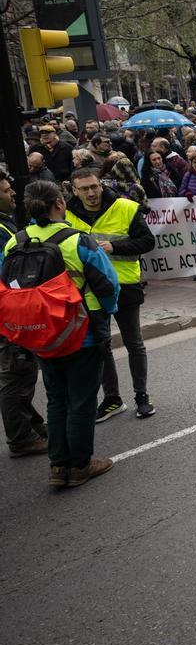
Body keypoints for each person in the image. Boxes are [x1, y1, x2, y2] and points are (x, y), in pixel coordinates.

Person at [1, 181, 120, 488]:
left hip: (40, 334)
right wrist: (107, 311)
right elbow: (108, 285)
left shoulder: (14, 242)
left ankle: (58, 466)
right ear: (59, 203)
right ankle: (79, 465)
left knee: (56, 398)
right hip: (82, 331)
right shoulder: (78, 240)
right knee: (81, 399)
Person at [65, 168, 158, 421]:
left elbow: (148, 242)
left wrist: (114, 246)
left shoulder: (125, 207)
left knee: (133, 343)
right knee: (101, 346)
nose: (91, 193)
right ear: (74, 191)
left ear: (101, 185)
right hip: (90, 290)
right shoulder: (67, 214)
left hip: (124, 286)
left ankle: (142, 397)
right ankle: (112, 399)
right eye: (84, 189)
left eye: (94, 186)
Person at [0, 170, 48, 457]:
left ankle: (32, 424)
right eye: (7, 190)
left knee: (21, 369)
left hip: (11, 308)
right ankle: (20, 438)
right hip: (7, 312)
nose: (13, 194)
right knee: (15, 373)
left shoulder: (5, 224)